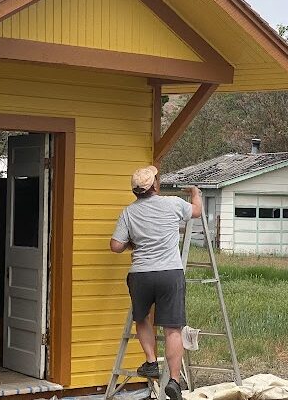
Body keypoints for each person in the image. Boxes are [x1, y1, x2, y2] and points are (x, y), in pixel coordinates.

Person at [109, 165, 202, 400]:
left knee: (141, 319)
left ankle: (151, 362)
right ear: (154, 186)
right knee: (173, 328)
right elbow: (197, 212)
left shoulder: (128, 212)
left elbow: (116, 246)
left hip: (141, 275)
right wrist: (195, 194)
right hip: (170, 272)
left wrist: (132, 243)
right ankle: (173, 381)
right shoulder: (172, 204)